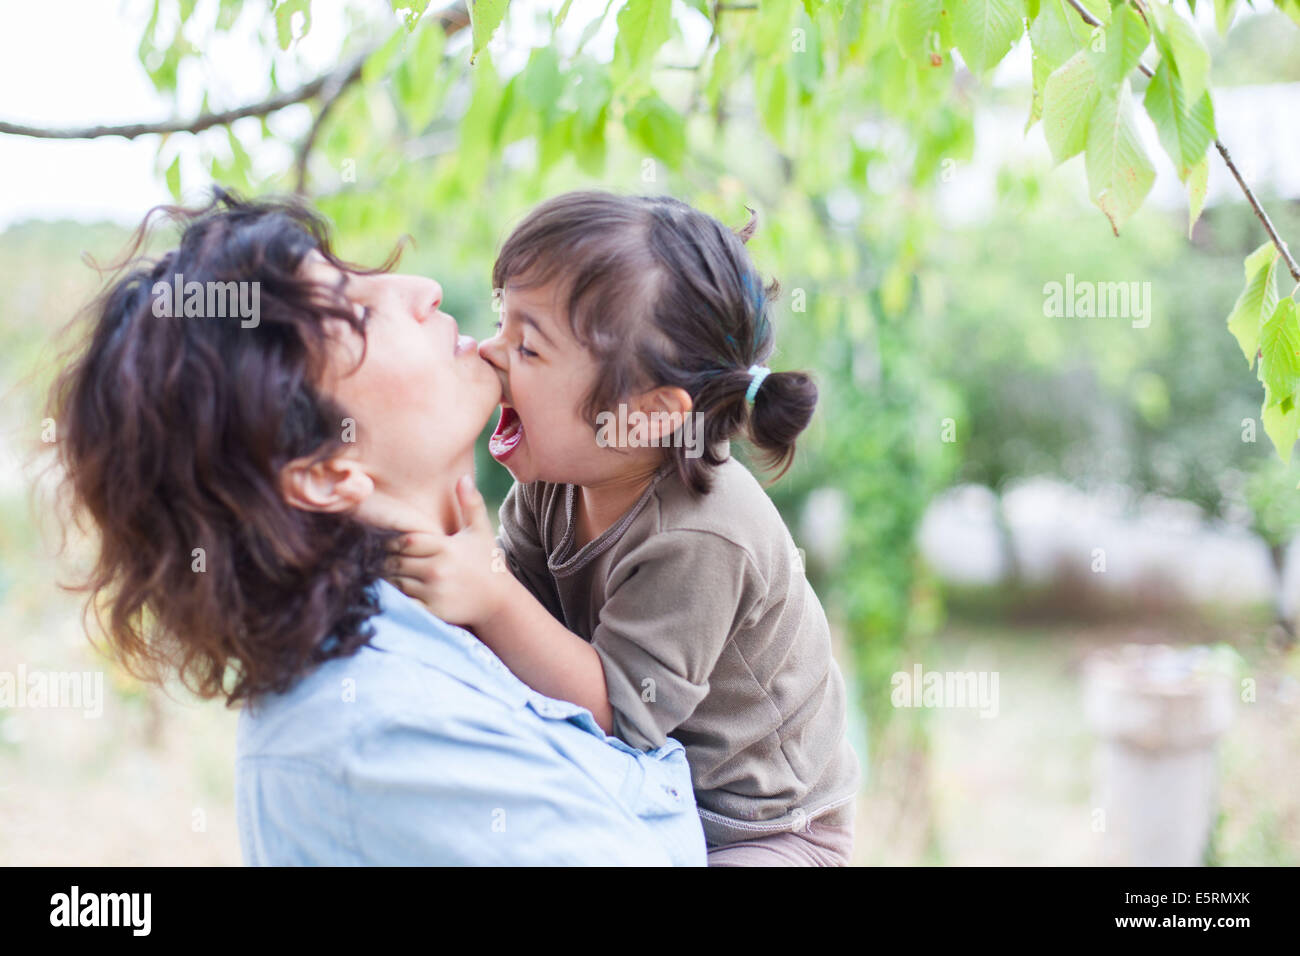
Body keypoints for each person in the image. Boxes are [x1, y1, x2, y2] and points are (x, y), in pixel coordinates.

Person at [50, 189, 706, 865]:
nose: (421, 289)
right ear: (321, 469)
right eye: (359, 313)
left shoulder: (453, 626)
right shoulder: (378, 733)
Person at [381, 192, 860, 866]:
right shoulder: (556, 485)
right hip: (646, 795)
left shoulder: (704, 534)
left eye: (528, 346)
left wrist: (486, 590)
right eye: (500, 321)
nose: (490, 354)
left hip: (765, 830)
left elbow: (619, 712)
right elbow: (516, 644)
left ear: (650, 415)